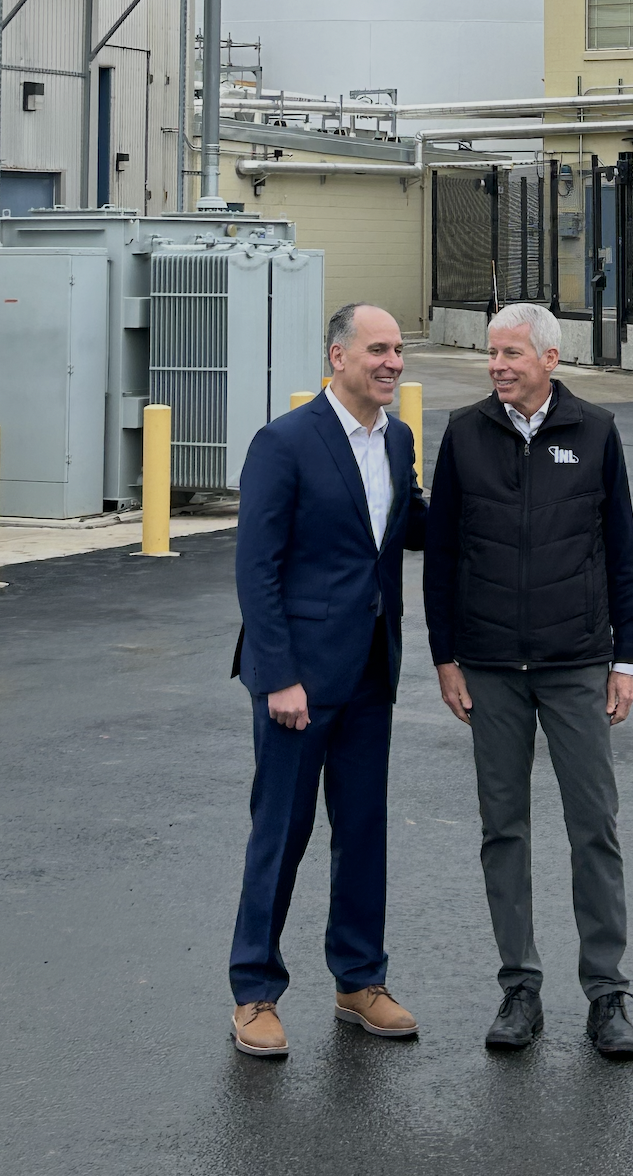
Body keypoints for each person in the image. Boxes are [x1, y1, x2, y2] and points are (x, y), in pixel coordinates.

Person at [424, 302, 633, 1061]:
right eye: (493, 353)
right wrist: (444, 657)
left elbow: (621, 551)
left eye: (512, 353)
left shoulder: (596, 433)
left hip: (575, 662)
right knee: (504, 829)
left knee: (595, 827)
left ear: (551, 358)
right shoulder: (464, 433)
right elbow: (442, 557)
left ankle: (607, 993)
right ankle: (520, 988)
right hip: (489, 667)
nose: (497, 366)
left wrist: (625, 660)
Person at [227, 302, 427, 1058]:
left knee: (364, 831)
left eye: (399, 349)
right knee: (282, 833)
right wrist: (277, 675)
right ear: (338, 357)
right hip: (298, 684)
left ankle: (359, 980)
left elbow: (398, 525)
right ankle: (254, 992)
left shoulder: (396, 436)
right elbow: (258, 568)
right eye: (378, 349)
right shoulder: (285, 443)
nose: (393, 362)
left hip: (371, 671)